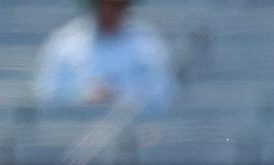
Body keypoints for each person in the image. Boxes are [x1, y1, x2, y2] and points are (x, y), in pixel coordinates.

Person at [33, 0, 173, 110]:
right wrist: (82, 99)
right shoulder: (64, 43)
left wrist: (123, 99)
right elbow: (47, 96)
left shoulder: (148, 45)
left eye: (115, 5)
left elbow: (162, 96)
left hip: (138, 136)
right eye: (102, 4)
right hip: (72, 135)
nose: (108, 11)